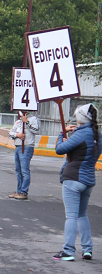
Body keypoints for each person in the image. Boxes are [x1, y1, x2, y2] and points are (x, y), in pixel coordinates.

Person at [52, 104, 102, 261]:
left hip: (73, 179)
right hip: (88, 180)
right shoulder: (97, 135)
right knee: (82, 215)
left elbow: (59, 149)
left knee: (71, 216)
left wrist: (62, 134)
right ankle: (87, 250)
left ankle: (68, 251)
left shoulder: (80, 135)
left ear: (79, 118)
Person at [8, 111, 40, 200]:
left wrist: (27, 122)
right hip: (18, 146)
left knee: (24, 170)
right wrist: (17, 135)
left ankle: (24, 192)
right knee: (18, 170)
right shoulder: (18, 121)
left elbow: (36, 130)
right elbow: (10, 133)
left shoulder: (34, 119)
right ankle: (19, 191)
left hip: (27, 147)